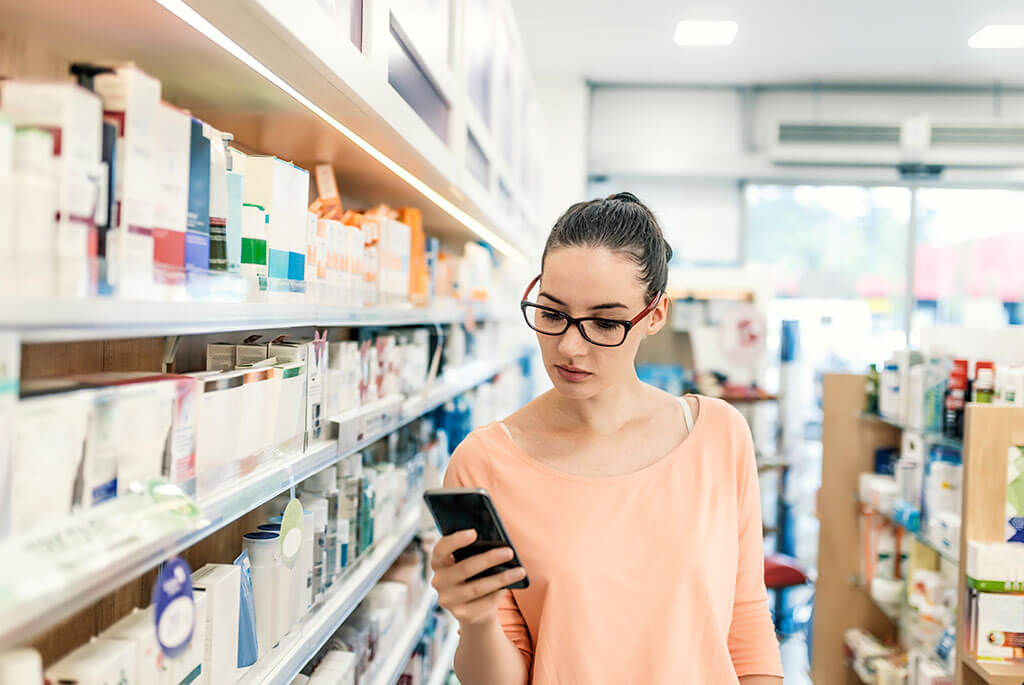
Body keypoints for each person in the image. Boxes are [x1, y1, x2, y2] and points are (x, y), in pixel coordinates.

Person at [430, 192, 784, 684]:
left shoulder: (719, 437)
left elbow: (745, 621)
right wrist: (476, 619)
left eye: (605, 322)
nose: (570, 346)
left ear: (655, 315)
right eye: (552, 314)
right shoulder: (487, 462)